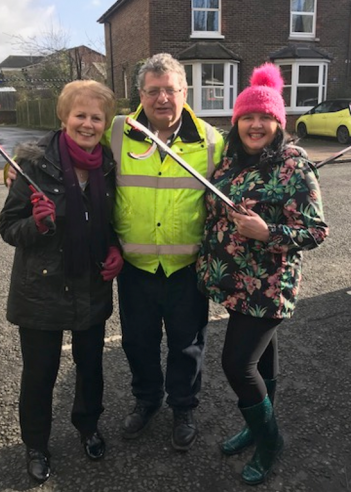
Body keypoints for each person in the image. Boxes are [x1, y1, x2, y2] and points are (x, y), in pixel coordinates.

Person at [196, 63, 329, 484]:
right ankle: (256, 428)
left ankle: (270, 440)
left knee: (237, 365)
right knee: (261, 360)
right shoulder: (231, 161)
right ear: (236, 123)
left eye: (264, 118)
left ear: (278, 122)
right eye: (247, 118)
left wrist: (267, 230)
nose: (256, 125)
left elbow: (316, 230)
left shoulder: (293, 164)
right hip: (237, 284)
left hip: (268, 287)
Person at [0, 80, 123, 484]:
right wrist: (36, 224)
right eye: (80, 115)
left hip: (90, 284)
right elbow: (8, 227)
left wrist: (116, 248)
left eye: (96, 117)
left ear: (105, 124)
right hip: (42, 289)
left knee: (90, 367)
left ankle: (88, 426)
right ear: (64, 116)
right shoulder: (33, 164)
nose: (87, 124)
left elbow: (109, 221)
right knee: (40, 373)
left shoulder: (107, 164)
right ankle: (36, 443)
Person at [104, 53, 225, 451]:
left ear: (184, 92)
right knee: (137, 342)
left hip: (186, 268)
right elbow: (77, 152)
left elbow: (238, 186)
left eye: (169, 90)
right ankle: (147, 400)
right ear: (139, 94)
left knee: (187, 345)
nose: (161, 99)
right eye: (153, 91)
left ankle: (183, 406)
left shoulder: (210, 139)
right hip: (136, 267)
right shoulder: (118, 132)